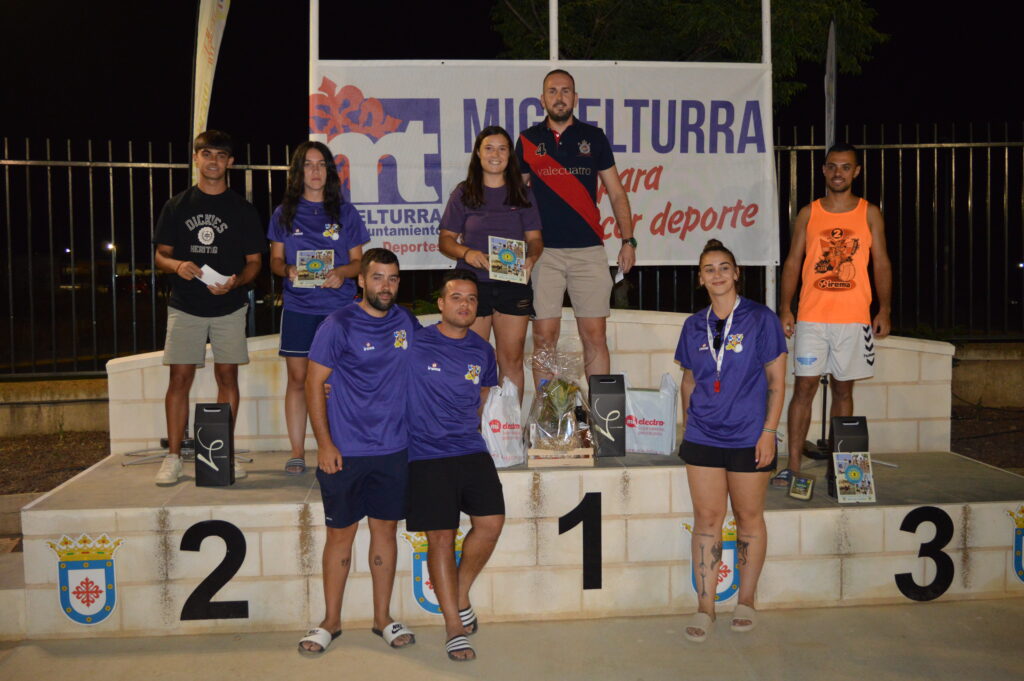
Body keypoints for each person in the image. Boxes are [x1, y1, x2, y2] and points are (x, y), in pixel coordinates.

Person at [298, 248, 420, 655]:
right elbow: (313, 384)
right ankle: (330, 621)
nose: (386, 286)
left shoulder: (406, 321)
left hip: (393, 448)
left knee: (385, 532)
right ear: (362, 281)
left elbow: (426, 365)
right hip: (344, 451)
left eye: (393, 278)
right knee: (341, 535)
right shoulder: (338, 323)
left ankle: (382, 619)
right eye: (379, 278)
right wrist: (325, 443)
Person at [675, 239, 787, 642]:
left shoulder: (761, 319)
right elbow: (688, 380)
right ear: (700, 277)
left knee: (748, 520)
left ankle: (746, 600)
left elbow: (777, 380)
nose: (717, 274)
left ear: (737, 273)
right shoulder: (693, 325)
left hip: (748, 435)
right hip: (704, 435)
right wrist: (687, 427)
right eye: (709, 269)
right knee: (706, 521)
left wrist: (769, 432)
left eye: (725, 267)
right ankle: (705, 607)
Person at [152, 130, 264, 486]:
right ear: (196, 159)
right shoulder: (177, 205)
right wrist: (177, 266)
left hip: (229, 307)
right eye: (207, 154)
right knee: (179, 379)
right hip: (185, 306)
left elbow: (255, 262)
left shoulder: (242, 210)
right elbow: (160, 255)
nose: (213, 161)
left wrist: (237, 282)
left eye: (221, 155)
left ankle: (222, 454)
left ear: (230, 162)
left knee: (227, 377)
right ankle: (173, 456)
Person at [405, 270, 504, 662]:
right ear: (441, 304)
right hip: (426, 455)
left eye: (472, 300)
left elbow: (483, 394)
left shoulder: (482, 350)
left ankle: (459, 595)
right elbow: (374, 369)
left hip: (470, 448)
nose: (465, 305)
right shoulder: (414, 342)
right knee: (442, 538)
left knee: (491, 522)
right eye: (457, 298)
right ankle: (453, 626)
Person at [777, 143, 893, 477]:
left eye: (845, 167)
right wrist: (786, 307)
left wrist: (884, 309)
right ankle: (793, 466)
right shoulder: (808, 213)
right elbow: (793, 262)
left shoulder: (869, 212)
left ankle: (843, 470)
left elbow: (881, 262)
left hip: (853, 318)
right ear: (824, 170)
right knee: (804, 389)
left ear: (856, 171)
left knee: (843, 390)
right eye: (832, 166)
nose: (838, 172)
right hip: (812, 318)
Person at [515, 69, 636, 384]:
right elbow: (515, 198)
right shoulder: (528, 140)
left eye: (565, 90)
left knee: (595, 335)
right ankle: (548, 424)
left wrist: (629, 241)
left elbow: (616, 192)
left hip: (589, 250)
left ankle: (602, 421)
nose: (559, 97)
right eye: (552, 91)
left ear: (575, 98)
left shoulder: (593, 138)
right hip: (543, 253)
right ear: (542, 99)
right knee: (543, 336)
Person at [268, 141, 369, 475]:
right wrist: (289, 271)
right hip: (299, 307)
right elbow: (275, 261)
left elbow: (358, 264)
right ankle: (297, 451)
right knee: (298, 380)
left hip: (339, 310)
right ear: (299, 172)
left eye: (320, 164)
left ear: (329, 170)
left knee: (338, 380)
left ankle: (343, 445)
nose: (314, 171)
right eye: (308, 165)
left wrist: (341, 273)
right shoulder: (284, 213)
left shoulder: (346, 212)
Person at [438, 125, 542, 401]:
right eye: (489, 148)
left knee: (511, 359)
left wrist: (531, 256)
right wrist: (466, 253)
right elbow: (445, 240)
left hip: (513, 285)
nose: (496, 154)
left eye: (502, 148)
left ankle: (507, 432)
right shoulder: (464, 192)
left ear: (510, 155)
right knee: (473, 358)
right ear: (478, 153)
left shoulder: (522, 193)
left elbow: (535, 239)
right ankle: (471, 429)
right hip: (473, 288)